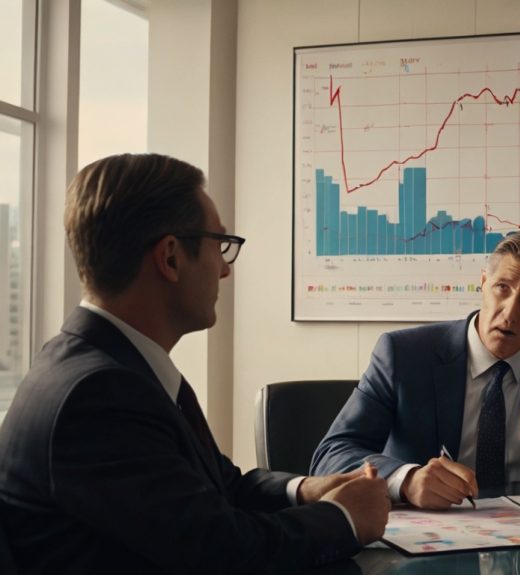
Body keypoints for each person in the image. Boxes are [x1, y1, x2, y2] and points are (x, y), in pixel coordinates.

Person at [0, 153, 390, 574]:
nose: (224, 269)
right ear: (170, 258)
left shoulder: (104, 366)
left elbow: (221, 488)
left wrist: (307, 489)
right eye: (219, 245)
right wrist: (344, 518)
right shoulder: (99, 395)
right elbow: (223, 552)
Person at [312, 231, 520, 517]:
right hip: (428, 541)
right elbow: (332, 455)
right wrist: (407, 480)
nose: (510, 312)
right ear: (483, 284)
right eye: (502, 288)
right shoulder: (404, 354)